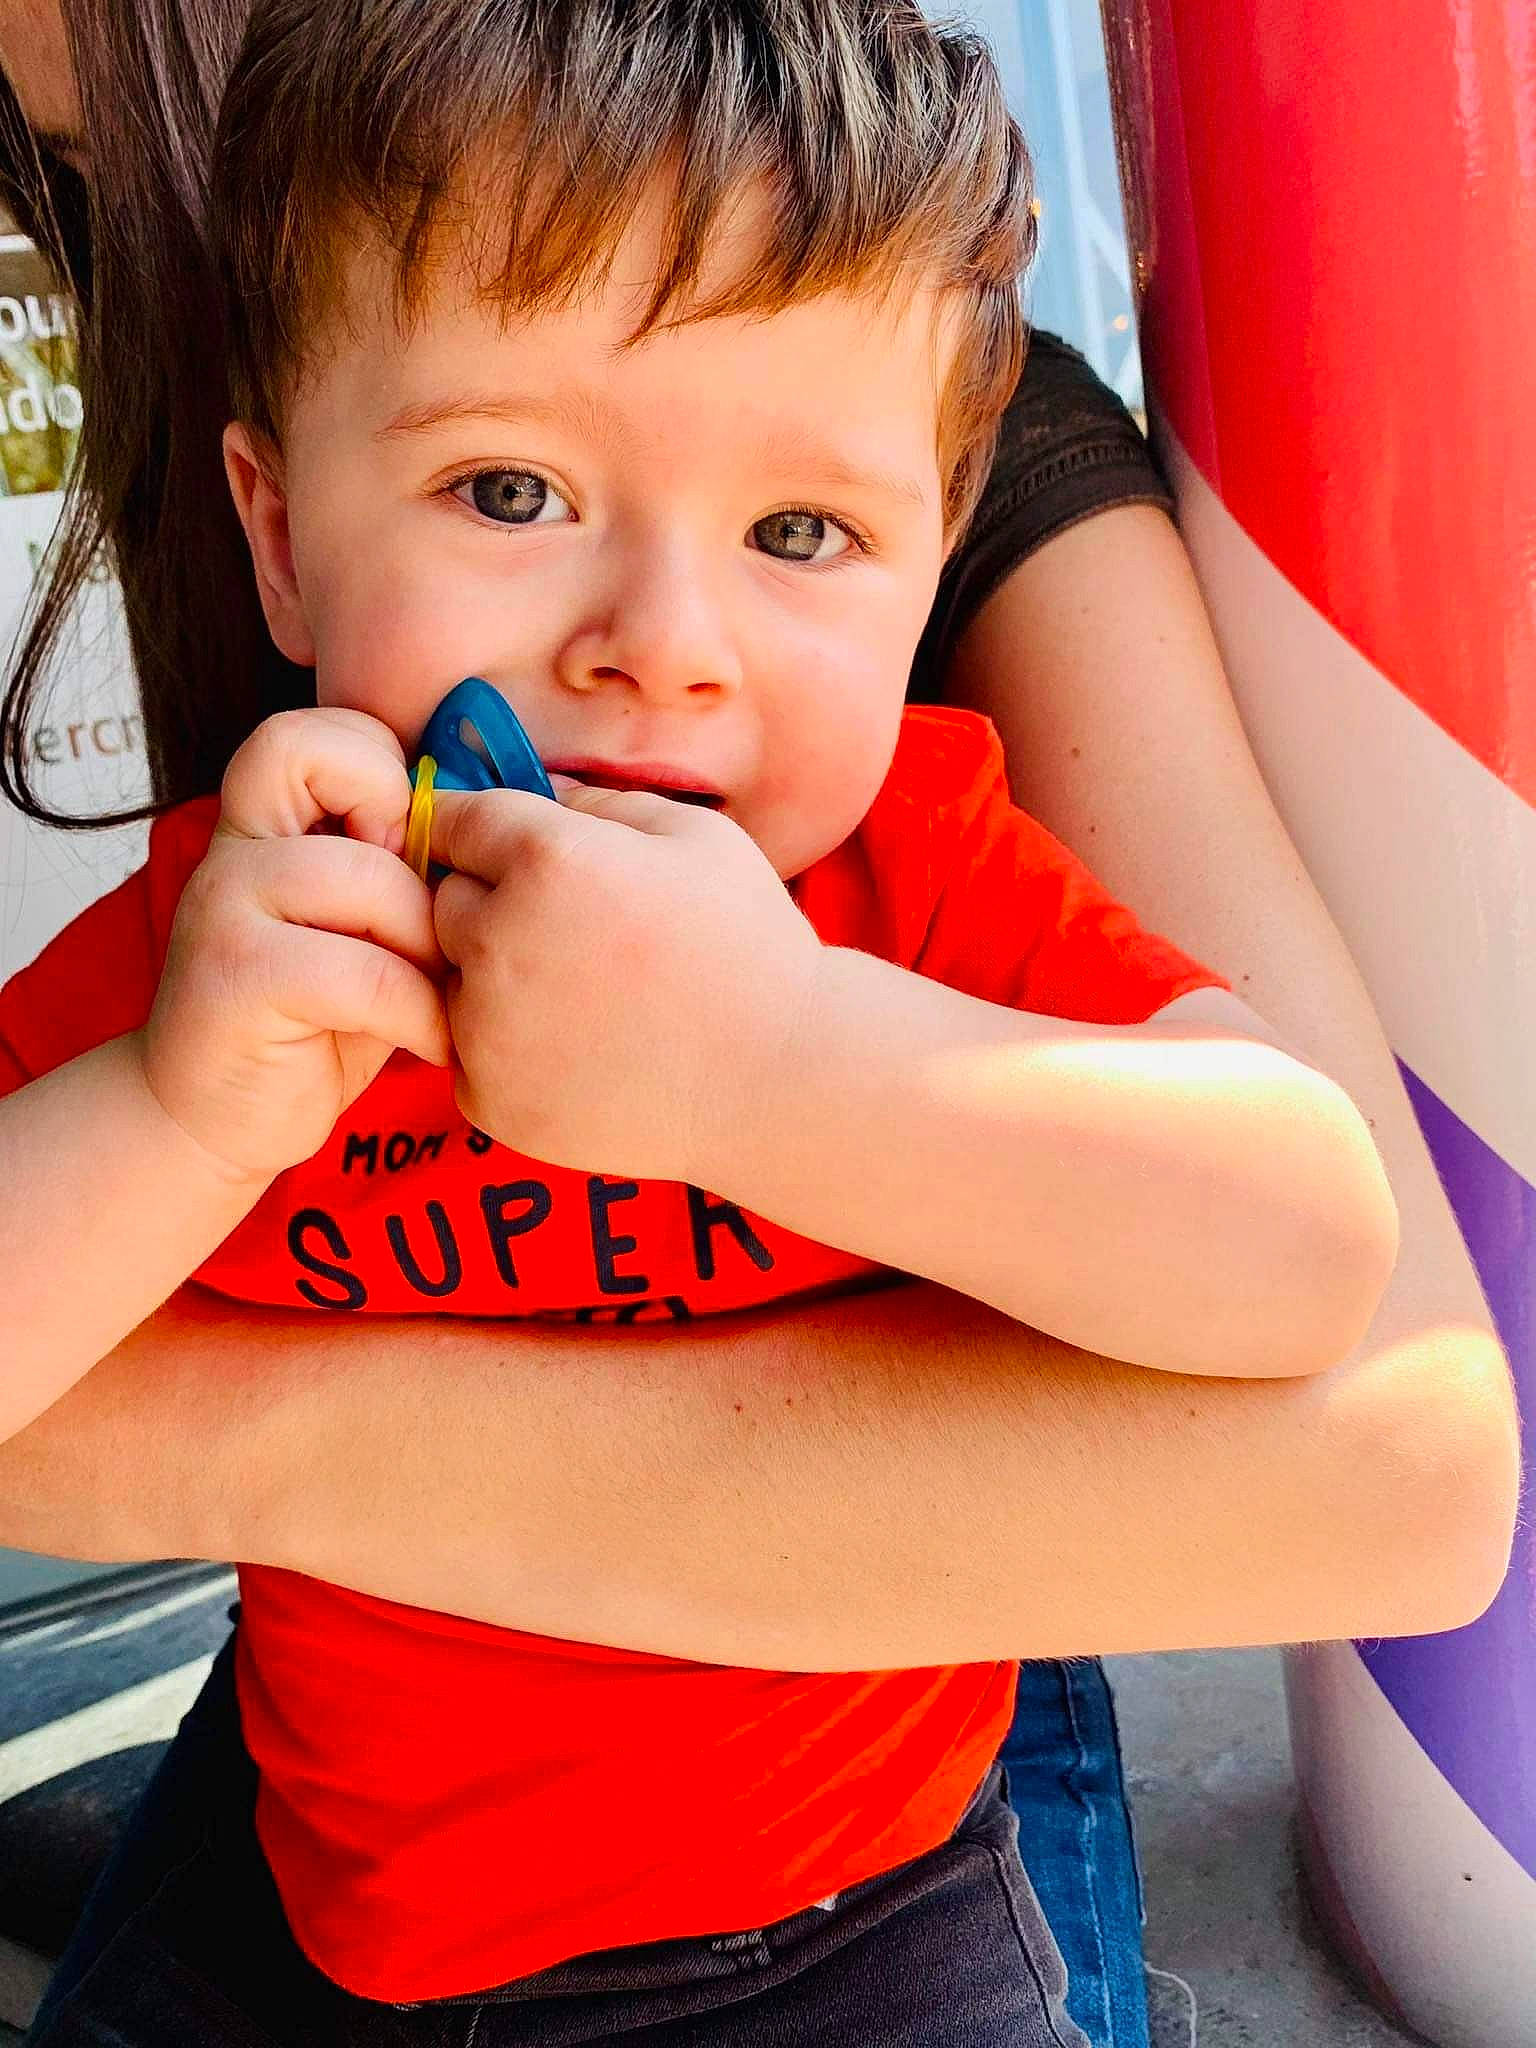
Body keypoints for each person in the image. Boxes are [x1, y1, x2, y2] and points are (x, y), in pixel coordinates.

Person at [0, 1, 1516, 2045]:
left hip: (848, 1926)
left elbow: (1319, 1244)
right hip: (330, 1895)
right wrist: (179, 1112)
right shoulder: (258, 917)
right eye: (510, 490)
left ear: (932, 564)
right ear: (277, 533)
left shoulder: (930, 878)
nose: (664, 646)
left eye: (801, 536)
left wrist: (780, 1061)